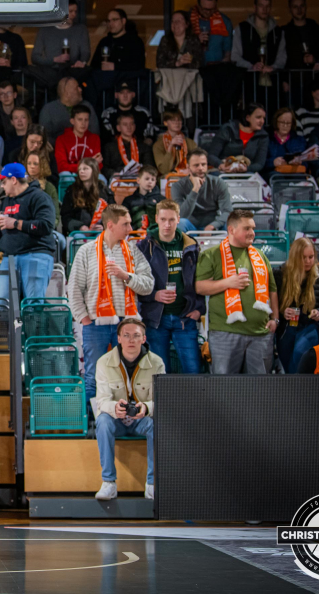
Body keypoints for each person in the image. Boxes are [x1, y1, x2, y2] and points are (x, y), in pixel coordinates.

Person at [67, 204, 154, 401]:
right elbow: (73, 289)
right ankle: (92, 424)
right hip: (95, 324)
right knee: (93, 376)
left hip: (127, 324)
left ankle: (128, 418)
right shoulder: (86, 252)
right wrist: (84, 318)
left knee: (128, 375)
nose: (130, 229)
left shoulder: (133, 251)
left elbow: (148, 285)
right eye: (125, 224)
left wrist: (127, 276)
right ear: (110, 225)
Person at [195, 209, 278, 374]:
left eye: (253, 228)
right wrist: (228, 282)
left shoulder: (261, 256)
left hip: (260, 333)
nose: (252, 233)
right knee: (225, 389)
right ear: (231, 230)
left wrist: (275, 319)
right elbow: (200, 287)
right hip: (225, 333)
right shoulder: (212, 254)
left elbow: (272, 290)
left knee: (258, 389)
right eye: (247, 228)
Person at [93, 318, 161, 501]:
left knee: (158, 425)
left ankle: (152, 484)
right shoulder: (103, 362)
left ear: (144, 338)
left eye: (136, 336)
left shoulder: (157, 363)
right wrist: (115, 408)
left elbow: (161, 401)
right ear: (119, 339)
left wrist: (145, 408)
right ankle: (109, 483)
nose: (131, 340)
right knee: (102, 421)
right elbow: (101, 401)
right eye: (127, 335)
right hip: (116, 420)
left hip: (141, 420)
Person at [135, 200, 204, 375]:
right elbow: (135, 283)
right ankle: (163, 404)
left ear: (178, 219)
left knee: (193, 370)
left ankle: (194, 403)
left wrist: (199, 309)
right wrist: (154, 295)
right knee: (160, 373)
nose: (167, 224)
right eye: (163, 219)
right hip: (156, 318)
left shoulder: (191, 245)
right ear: (156, 218)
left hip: (185, 318)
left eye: (172, 220)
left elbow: (201, 279)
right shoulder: (143, 247)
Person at [0, 163, 57, 298]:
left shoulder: (39, 197)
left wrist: (16, 223)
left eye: (4, 182)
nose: (2, 186)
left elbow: (46, 225)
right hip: (9, 258)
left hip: (36, 254)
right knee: (4, 303)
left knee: (33, 304)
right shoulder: (6, 201)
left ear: (13, 180)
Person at [272, 237, 319, 374]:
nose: (308, 261)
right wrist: (283, 312)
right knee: (287, 365)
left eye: (311, 257)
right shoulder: (280, 274)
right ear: (294, 257)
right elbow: (272, 303)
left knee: (300, 356)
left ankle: (300, 391)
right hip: (286, 327)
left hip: (309, 326)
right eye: (303, 257)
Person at [232, 0, 287, 98]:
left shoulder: (278, 31)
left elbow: (282, 56)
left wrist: (273, 67)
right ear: (255, 7)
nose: (264, 9)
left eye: (267, 6)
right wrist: (251, 66)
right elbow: (235, 56)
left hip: (273, 84)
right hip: (249, 83)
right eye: (261, 6)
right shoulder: (242, 29)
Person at [170, 149, 233, 233]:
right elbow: (181, 215)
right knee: (180, 223)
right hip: (191, 226)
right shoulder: (177, 186)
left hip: (213, 226)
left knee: (231, 222)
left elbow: (228, 211)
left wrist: (213, 226)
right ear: (188, 167)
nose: (200, 168)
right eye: (196, 165)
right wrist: (195, 189)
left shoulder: (218, 183)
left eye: (203, 164)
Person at [31, 0, 90, 73]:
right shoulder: (45, 30)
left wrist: (82, 62)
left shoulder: (81, 29)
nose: (74, 15)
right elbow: (35, 57)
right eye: (70, 11)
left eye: (75, 11)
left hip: (73, 71)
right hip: (51, 74)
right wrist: (55, 60)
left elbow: (85, 52)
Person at [205, 103, 269, 174]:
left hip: (246, 171)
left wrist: (246, 168)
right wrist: (221, 165)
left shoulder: (263, 136)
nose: (262, 121)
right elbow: (212, 155)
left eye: (264, 118)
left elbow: (259, 163)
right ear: (247, 117)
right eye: (258, 117)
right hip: (223, 169)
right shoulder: (228, 129)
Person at [38, 76, 100, 141]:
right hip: (56, 149)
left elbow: (94, 132)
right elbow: (44, 137)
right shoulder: (48, 110)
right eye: (76, 88)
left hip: (83, 147)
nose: (80, 89)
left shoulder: (87, 106)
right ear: (67, 93)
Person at [61, 157, 111, 233]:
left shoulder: (104, 191)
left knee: (102, 238)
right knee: (78, 237)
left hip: (99, 231)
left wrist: (103, 226)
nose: (81, 171)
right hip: (79, 232)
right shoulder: (71, 191)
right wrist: (80, 226)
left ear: (94, 170)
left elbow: (111, 214)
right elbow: (66, 217)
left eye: (85, 169)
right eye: (80, 169)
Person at [90, 8, 146, 75]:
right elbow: (94, 65)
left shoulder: (134, 41)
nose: (111, 23)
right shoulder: (104, 42)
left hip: (126, 82)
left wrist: (115, 66)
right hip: (105, 81)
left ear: (123, 21)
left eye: (114, 20)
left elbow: (138, 65)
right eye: (108, 21)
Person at [282, 0, 319, 72]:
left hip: (314, 79)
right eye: (295, 7)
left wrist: (315, 59)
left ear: (305, 7)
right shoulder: (285, 32)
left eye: (302, 6)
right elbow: (282, 58)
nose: (299, 10)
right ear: (290, 9)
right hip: (293, 78)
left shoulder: (315, 29)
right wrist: (285, 80)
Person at [54, 105, 101, 174]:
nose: (83, 123)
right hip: (69, 174)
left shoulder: (95, 138)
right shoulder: (61, 139)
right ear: (72, 121)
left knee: (102, 179)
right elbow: (61, 167)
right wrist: (88, 165)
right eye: (80, 119)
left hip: (90, 174)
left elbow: (98, 164)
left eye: (86, 120)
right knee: (65, 175)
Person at [190, 0, 233, 65]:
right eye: (205, 9)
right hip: (192, 69)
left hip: (216, 69)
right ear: (198, 5)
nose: (208, 12)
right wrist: (195, 40)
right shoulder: (188, 20)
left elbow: (228, 51)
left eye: (212, 9)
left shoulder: (225, 22)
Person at [103, 111, 149, 180]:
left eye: (131, 124)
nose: (129, 127)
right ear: (118, 128)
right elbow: (104, 168)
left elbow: (149, 166)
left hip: (138, 179)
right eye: (125, 124)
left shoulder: (143, 146)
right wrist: (113, 173)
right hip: (117, 179)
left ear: (135, 126)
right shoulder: (109, 147)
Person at [266, 108, 311, 178]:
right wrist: (273, 162)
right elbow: (260, 162)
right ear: (276, 122)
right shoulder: (267, 139)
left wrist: (300, 162)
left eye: (288, 123)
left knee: (300, 177)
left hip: (295, 172)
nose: (285, 126)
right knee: (276, 177)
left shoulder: (300, 140)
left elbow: (307, 162)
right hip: (274, 173)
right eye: (282, 122)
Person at [23, 149, 61, 232]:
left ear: (42, 165)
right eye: (29, 163)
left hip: (45, 228)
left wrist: (46, 226)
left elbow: (56, 216)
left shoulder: (49, 187)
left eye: (35, 164)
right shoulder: (20, 185)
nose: (31, 166)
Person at [152, 108, 198, 176]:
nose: (177, 123)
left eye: (179, 120)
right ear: (165, 123)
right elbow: (164, 170)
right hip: (168, 176)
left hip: (188, 173)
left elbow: (197, 161)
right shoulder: (158, 145)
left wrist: (190, 169)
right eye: (173, 120)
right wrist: (170, 147)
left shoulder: (190, 143)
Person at [121, 166, 163, 231]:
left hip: (156, 234)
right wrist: (134, 230)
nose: (150, 182)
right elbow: (123, 220)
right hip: (134, 235)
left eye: (153, 179)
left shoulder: (161, 200)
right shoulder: (129, 200)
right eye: (147, 179)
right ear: (138, 180)